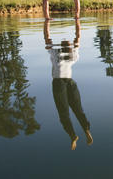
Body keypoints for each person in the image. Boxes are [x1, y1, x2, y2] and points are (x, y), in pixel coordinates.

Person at [44, 19, 93, 150]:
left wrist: (46, 23)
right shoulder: (73, 55)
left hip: (59, 83)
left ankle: (73, 135)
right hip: (70, 82)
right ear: (69, 46)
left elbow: (47, 37)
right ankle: (86, 130)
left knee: (64, 113)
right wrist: (77, 23)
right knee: (78, 109)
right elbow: (78, 36)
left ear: (61, 46)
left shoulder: (55, 53)